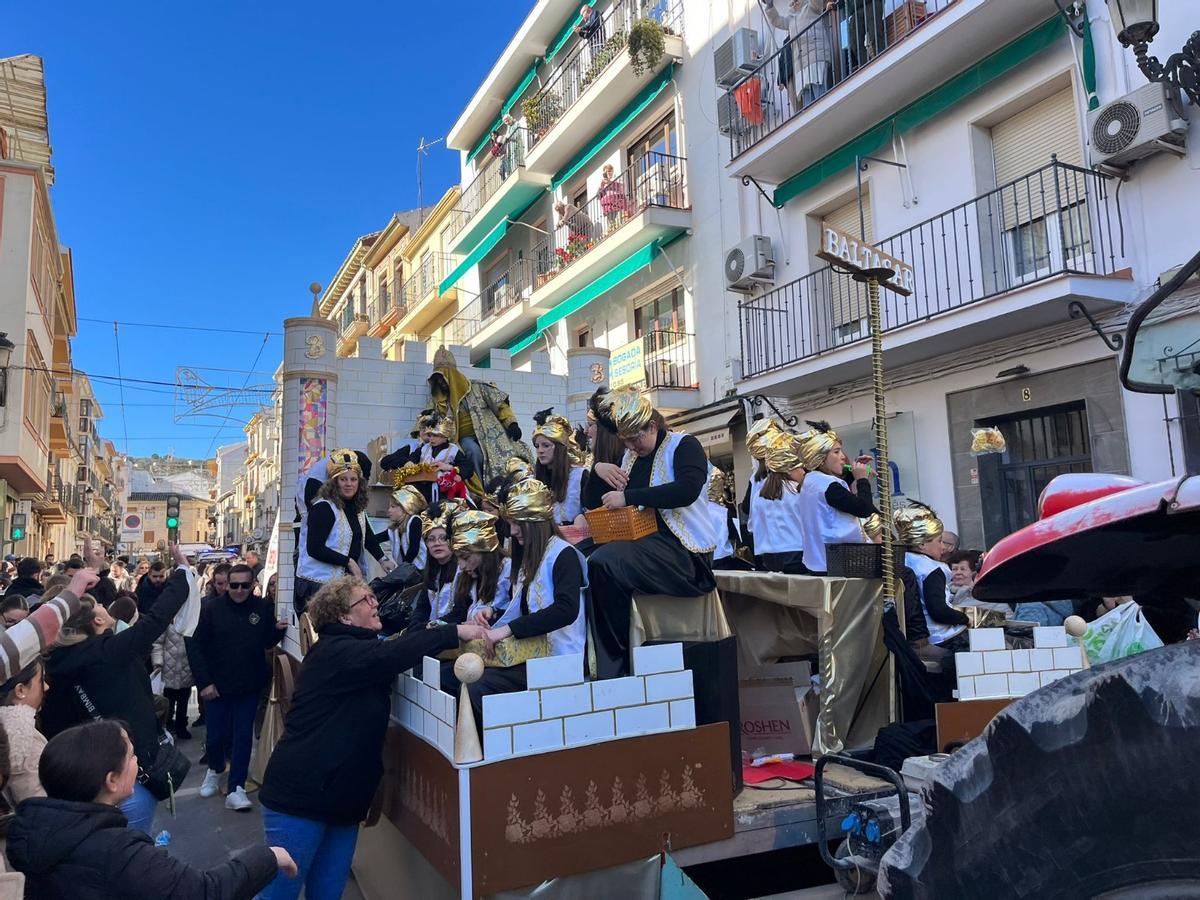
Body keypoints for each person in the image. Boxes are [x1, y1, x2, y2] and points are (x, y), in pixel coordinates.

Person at [258, 578, 483, 900]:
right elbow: (389, 655)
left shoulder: (357, 647)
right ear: (344, 618)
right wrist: (454, 632)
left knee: (327, 892)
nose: (375, 603)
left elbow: (393, 645)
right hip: (299, 798)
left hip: (343, 800)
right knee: (279, 893)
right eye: (365, 600)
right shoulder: (336, 652)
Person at [7, 720, 293, 898]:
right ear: (111, 780)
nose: (137, 762)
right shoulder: (117, 852)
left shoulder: (30, 830)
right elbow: (205, 892)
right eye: (131, 756)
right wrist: (268, 855)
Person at [40, 542, 194, 835]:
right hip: (126, 779)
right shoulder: (107, 652)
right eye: (100, 605)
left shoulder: (59, 659)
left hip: (82, 778)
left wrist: (94, 570)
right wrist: (182, 573)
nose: (105, 604)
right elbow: (156, 619)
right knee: (127, 852)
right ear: (98, 619)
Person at [587, 388, 717, 678]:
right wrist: (597, 469)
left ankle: (615, 666)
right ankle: (605, 661)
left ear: (653, 426)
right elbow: (593, 501)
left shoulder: (684, 445)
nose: (632, 446)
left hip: (688, 556)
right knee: (589, 558)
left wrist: (631, 496)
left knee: (604, 562)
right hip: (649, 547)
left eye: (637, 438)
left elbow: (687, 490)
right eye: (627, 441)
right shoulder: (630, 459)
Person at [452, 475, 586, 719]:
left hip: (558, 660)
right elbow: (526, 607)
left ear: (533, 522)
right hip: (531, 654)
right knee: (458, 678)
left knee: (478, 687)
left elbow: (566, 610)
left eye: (516, 523)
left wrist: (507, 630)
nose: (512, 532)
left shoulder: (563, 555)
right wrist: (494, 614)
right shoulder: (529, 559)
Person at [188, 562, 286, 812]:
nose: (240, 590)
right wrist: (205, 683)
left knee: (243, 737)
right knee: (216, 736)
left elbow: (266, 640)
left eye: (245, 585)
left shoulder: (262, 607)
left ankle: (236, 788)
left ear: (253, 584)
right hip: (216, 685)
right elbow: (196, 647)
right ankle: (215, 769)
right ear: (226, 585)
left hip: (248, 684)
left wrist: (278, 631)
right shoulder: (211, 609)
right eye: (234, 585)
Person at [295, 449, 392, 615]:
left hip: (345, 583)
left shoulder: (357, 508)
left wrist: (383, 560)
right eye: (343, 479)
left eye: (353, 479)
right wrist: (348, 562)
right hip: (319, 585)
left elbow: (366, 536)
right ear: (334, 482)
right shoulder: (324, 507)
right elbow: (314, 548)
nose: (349, 484)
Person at [426, 347, 530, 489]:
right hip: (464, 438)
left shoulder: (478, 388)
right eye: (438, 379)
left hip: (491, 434)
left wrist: (512, 424)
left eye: (444, 378)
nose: (442, 383)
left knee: (512, 455)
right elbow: (426, 419)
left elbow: (500, 404)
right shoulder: (439, 401)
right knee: (473, 452)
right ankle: (481, 490)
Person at [795, 421, 876, 575]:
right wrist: (862, 480)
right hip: (838, 562)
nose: (843, 457)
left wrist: (853, 474)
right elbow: (864, 509)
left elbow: (837, 497)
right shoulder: (828, 486)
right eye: (836, 452)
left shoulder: (811, 480)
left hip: (818, 561)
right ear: (821, 457)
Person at [895, 504, 969, 661]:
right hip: (943, 637)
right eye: (939, 541)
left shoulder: (904, 560)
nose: (942, 547)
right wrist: (966, 618)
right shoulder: (930, 569)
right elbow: (939, 611)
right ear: (922, 544)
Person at [748, 427, 809, 574]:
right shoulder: (799, 491)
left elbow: (751, 527)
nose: (804, 471)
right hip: (797, 553)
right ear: (789, 467)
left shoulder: (759, 494)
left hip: (768, 556)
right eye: (801, 467)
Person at [764, 0, 836, 111]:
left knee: (820, 97)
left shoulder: (811, 7)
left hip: (815, 57)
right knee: (808, 104)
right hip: (801, 66)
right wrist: (769, 5)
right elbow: (776, 20)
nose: (795, 2)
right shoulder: (791, 19)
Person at [0, 658, 49, 809]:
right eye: (41, 680)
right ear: (20, 690)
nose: (46, 687)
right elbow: (38, 804)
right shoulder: (24, 736)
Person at [452, 508, 512, 629]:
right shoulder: (467, 576)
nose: (462, 565)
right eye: (458, 558)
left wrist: (493, 615)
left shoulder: (509, 571)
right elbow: (458, 613)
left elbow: (515, 613)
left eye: (465, 557)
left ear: (484, 552)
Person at [407, 501, 463, 629]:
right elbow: (422, 608)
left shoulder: (462, 570)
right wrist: (415, 626)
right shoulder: (432, 571)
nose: (437, 543)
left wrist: (429, 626)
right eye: (431, 539)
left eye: (443, 538)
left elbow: (460, 613)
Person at [532, 409, 586, 526]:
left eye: (546, 445)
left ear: (559, 448)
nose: (540, 450)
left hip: (574, 539)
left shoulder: (579, 476)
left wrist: (583, 517)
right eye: (537, 446)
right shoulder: (533, 480)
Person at [580, 387, 626, 514]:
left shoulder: (627, 459)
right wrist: (597, 469)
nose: (585, 431)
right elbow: (590, 502)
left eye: (589, 425)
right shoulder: (600, 462)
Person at [154, 606, 195, 740]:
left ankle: (181, 726)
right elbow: (158, 643)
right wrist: (158, 662)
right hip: (168, 669)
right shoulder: (167, 622)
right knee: (168, 701)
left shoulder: (192, 623)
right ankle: (167, 725)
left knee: (183, 701)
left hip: (185, 669)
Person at [383, 486, 429, 573]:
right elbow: (374, 539)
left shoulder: (415, 521)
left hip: (420, 570)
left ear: (405, 508)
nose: (389, 510)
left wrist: (401, 570)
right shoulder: (395, 528)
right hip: (407, 570)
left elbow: (413, 549)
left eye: (393, 507)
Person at [598, 163, 629, 230]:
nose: (607, 173)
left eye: (609, 171)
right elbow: (599, 196)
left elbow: (621, 187)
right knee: (611, 224)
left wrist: (609, 182)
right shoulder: (603, 182)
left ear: (612, 171)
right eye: (606, 172)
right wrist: (601, 186)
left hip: (617, 203)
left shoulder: (617, 178)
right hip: (608, 207)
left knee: (619, 221)